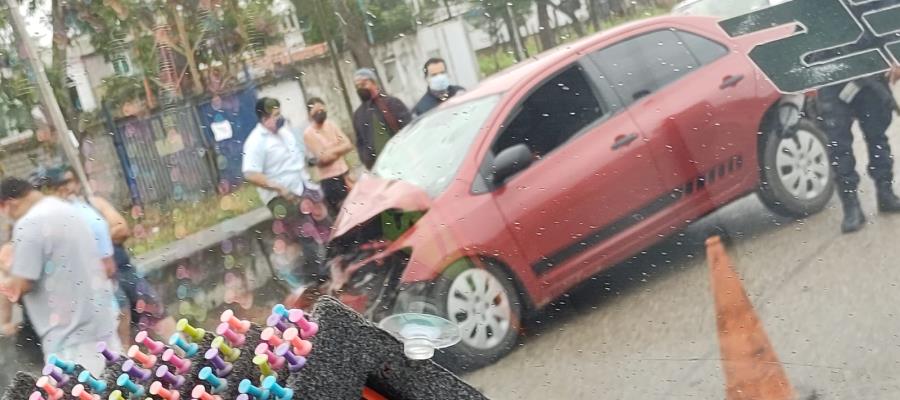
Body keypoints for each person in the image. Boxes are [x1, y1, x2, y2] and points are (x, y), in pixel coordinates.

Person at [0, 177, 120, 374]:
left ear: (10, 204)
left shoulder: (29, 224)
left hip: (69, 343)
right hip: (103, 327)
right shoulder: (66, 209)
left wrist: (4, 271)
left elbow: (20, 287)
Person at [49, 167, 176, 340]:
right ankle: (125, 364)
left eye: (69, 181)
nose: (66, 188)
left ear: (77, 182)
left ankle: (186, 352)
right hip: (98, 282)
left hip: (124, 270)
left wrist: (91, 241)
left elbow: (122, 229)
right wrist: (103, 236)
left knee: (155, 310)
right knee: (119, 323)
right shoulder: (55, 217)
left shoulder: (94, 203)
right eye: (59, 184)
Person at [243, 97, 332, 285]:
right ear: (264, 118)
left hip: (303, 185)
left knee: (326, 223)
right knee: (306, 231)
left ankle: (335, 262)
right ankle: (319, 277)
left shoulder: (285, 133)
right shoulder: (255, 142)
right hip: (281, 196)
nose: (280, 117)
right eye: (275, 115)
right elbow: (250, 174)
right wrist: (278, 187)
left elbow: (297, 157)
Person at [352, 68, 412, 169]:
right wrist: (366, 160)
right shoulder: (358, 115)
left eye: (363, 84)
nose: (360, 89)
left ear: (374, 83)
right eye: (357, 86)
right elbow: (360, 142)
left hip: (403, 160)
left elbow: (409, 129)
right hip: (379, 167)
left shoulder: (393, 103)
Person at [303, 97, 355, 215]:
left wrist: (330, 151)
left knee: (357, 209)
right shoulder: (309, 133)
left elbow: (348, 144)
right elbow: (324, 158)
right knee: (344, 215)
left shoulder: (331, 125)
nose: (319, 113)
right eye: (315, 111)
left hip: (345, 173)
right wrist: (339, 150)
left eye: (321, 109)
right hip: (330, 181)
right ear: (309, 114)